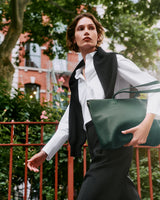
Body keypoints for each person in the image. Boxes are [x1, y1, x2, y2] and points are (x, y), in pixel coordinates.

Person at [27, 13, 160, 199]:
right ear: (74, 38)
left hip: (116, 138)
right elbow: (69, 119)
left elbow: (155, 87)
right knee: (123, 191)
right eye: (81, 29)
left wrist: (147, 122)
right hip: (96, 144)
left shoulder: (114, 61)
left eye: (91, 28)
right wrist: (45, 152)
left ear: (98, 35)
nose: (86, 32)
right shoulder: (76, 77)